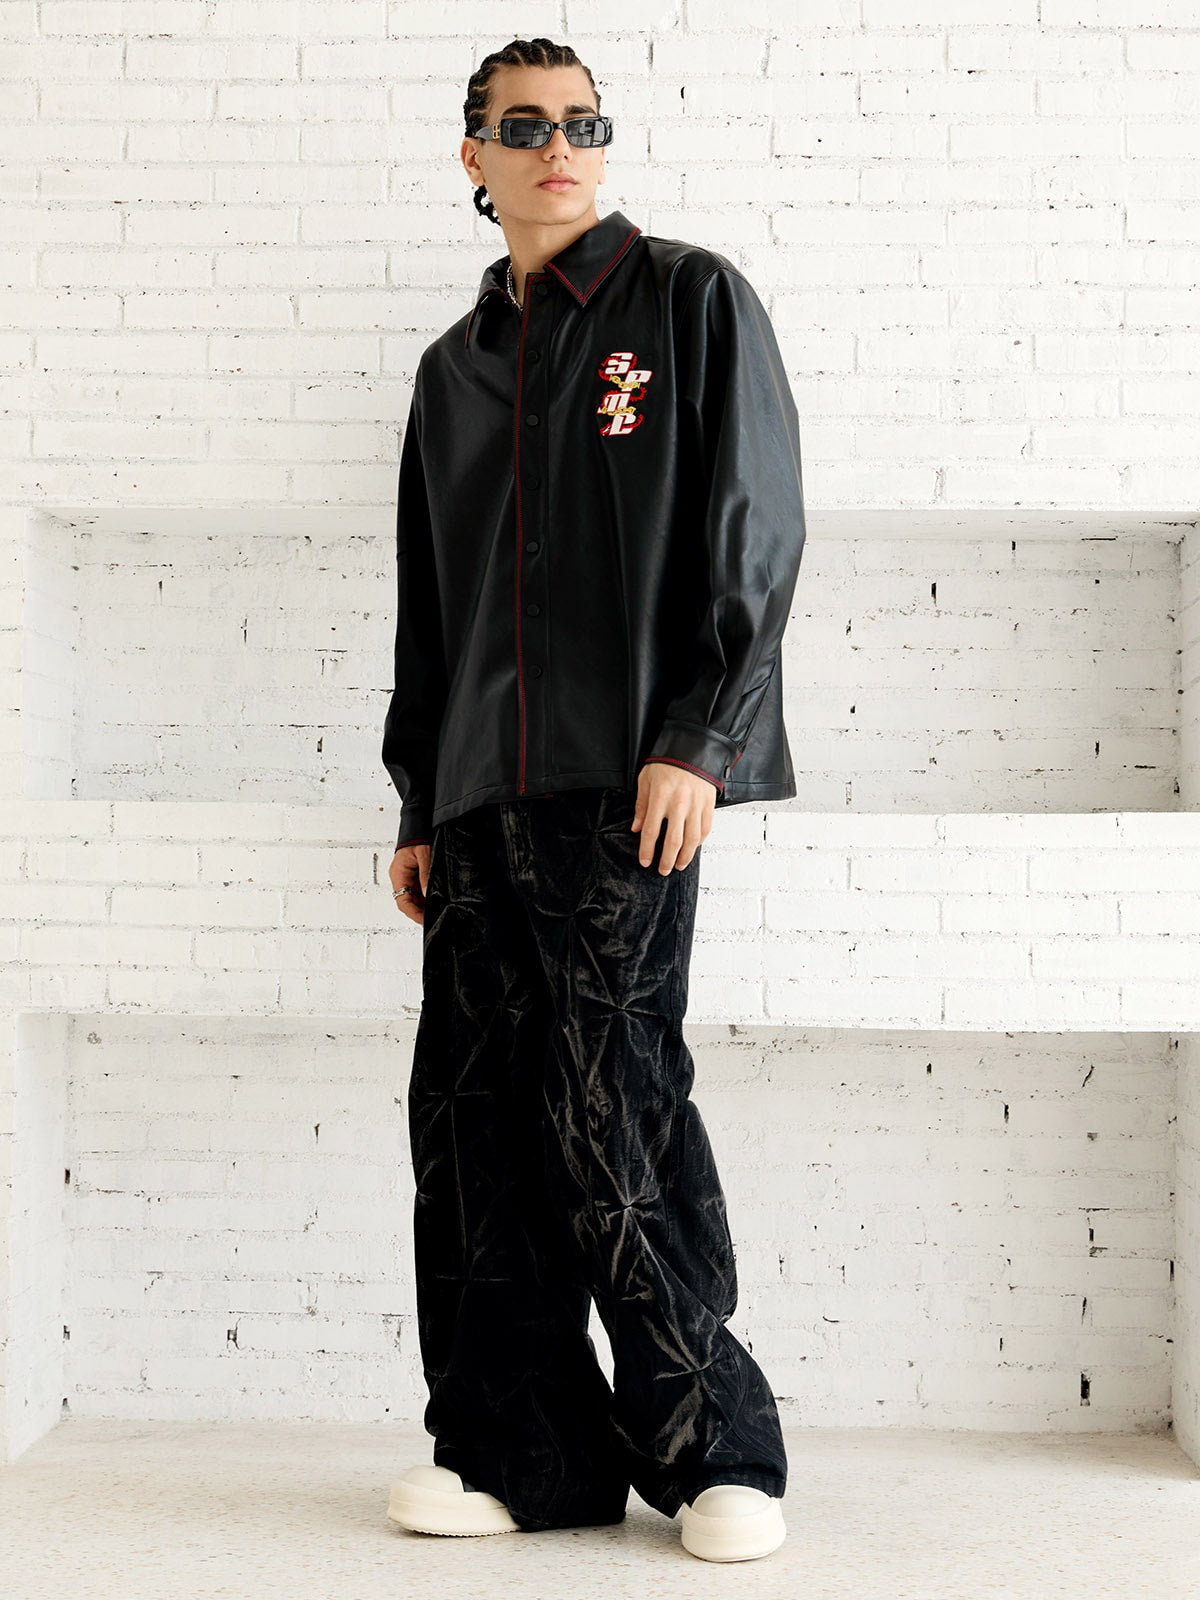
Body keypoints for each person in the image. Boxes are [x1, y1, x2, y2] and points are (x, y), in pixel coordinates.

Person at [381, 36, 806, 1565]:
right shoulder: (453, 371)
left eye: (584, 121)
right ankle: (523, 1453)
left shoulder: (687, 301)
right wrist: (419, 798)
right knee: (471, 1128)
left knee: (612, 1104)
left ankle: (715, 1454)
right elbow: (432, 607)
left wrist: (702, 737)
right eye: (525, 125)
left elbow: (754, 525)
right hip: (476, 796)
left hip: (628, 786)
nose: (560, 145)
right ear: (475, 156)